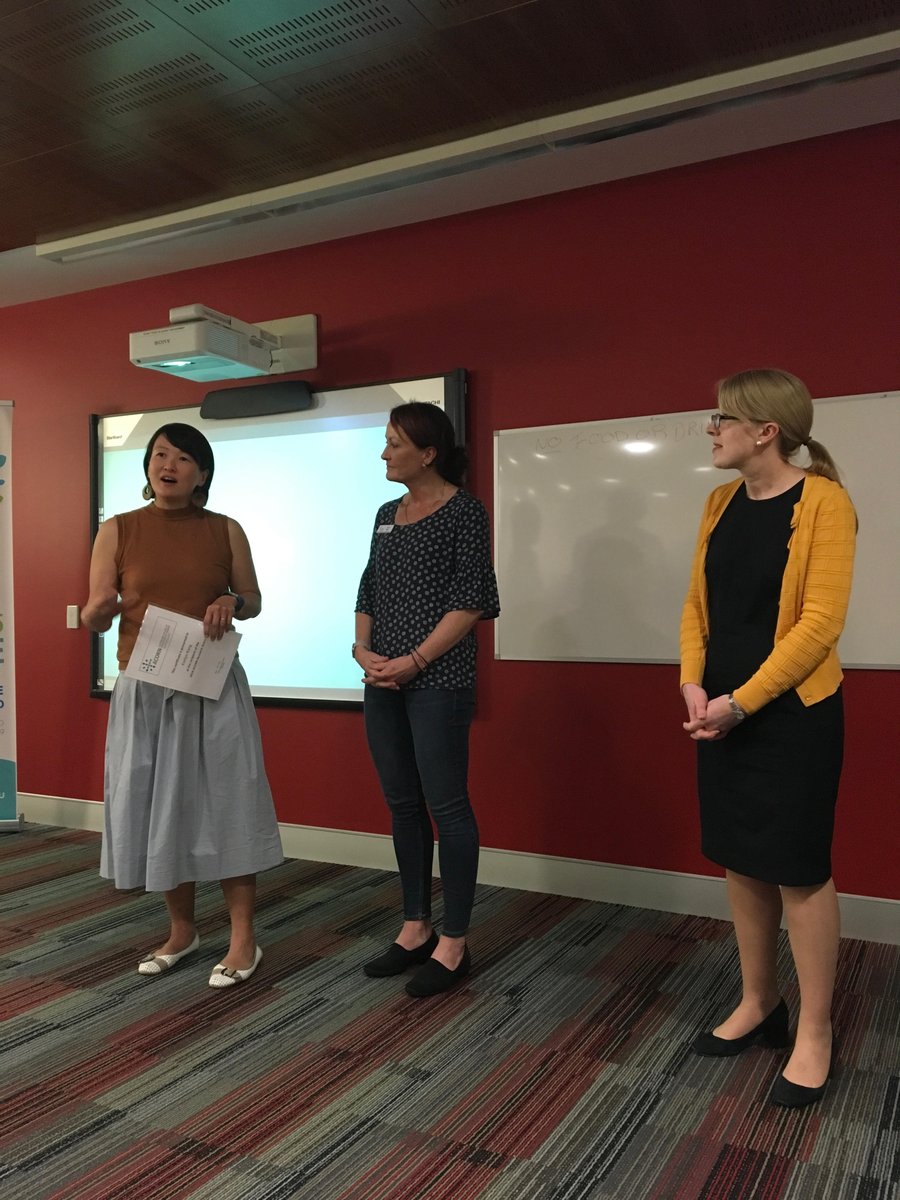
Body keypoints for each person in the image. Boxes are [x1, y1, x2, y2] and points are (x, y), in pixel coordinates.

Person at [680, 369, 856, 1108]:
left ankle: (815, 1029)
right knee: (741, 857)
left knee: (798, 868)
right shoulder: (719, 503)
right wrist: (693, 684)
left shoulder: (825, 502)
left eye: (722, 418)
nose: (711, 429)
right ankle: (760, 1001)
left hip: (790, 717)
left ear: (765, 431)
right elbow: (697, 605)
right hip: (721, 711)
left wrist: (740, 704)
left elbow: (819, 626)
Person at [81, 423, 283, 988]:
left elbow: (254, 600)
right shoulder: (118, 529)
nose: (168, 465)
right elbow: (95, 613)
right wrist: (100, 610)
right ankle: (182, 930)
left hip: (210, 683)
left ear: (202, 474)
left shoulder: (225, 529)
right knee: (161, 806)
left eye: (183, 458)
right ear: (148, 466)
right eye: (160, 454)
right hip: (144, 688)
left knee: (228, 802)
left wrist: (230, 600)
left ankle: (243, 939)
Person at [354, 402, 500, 998]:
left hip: (438, 681)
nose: (384, 453)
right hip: (382, 681)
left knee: (448, 806)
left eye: (394, 443)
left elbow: (472, 601)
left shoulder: (465, 511)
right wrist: (363, 650)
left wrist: (414, 661)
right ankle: (415, 927)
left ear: (428, 453)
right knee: (402, 803)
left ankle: (455, 942)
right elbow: (368, 588)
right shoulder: (386, 514)